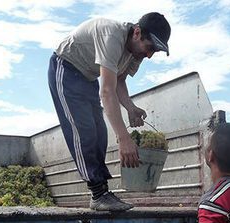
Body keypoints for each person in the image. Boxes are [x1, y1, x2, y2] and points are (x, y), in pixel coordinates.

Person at [47, 13, 171, 211]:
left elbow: (119, 82)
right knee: (84, 131)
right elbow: (106, 91)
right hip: (66, 68)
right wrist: (123, 137)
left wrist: (131, 108)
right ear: (137, 33)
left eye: (154, 51)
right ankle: (97, 193)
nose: (149, 55)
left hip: (88, 77)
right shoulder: (112, 36)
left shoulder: (135, 53)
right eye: (150, 48)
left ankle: (102, 193)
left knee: (100, 133)